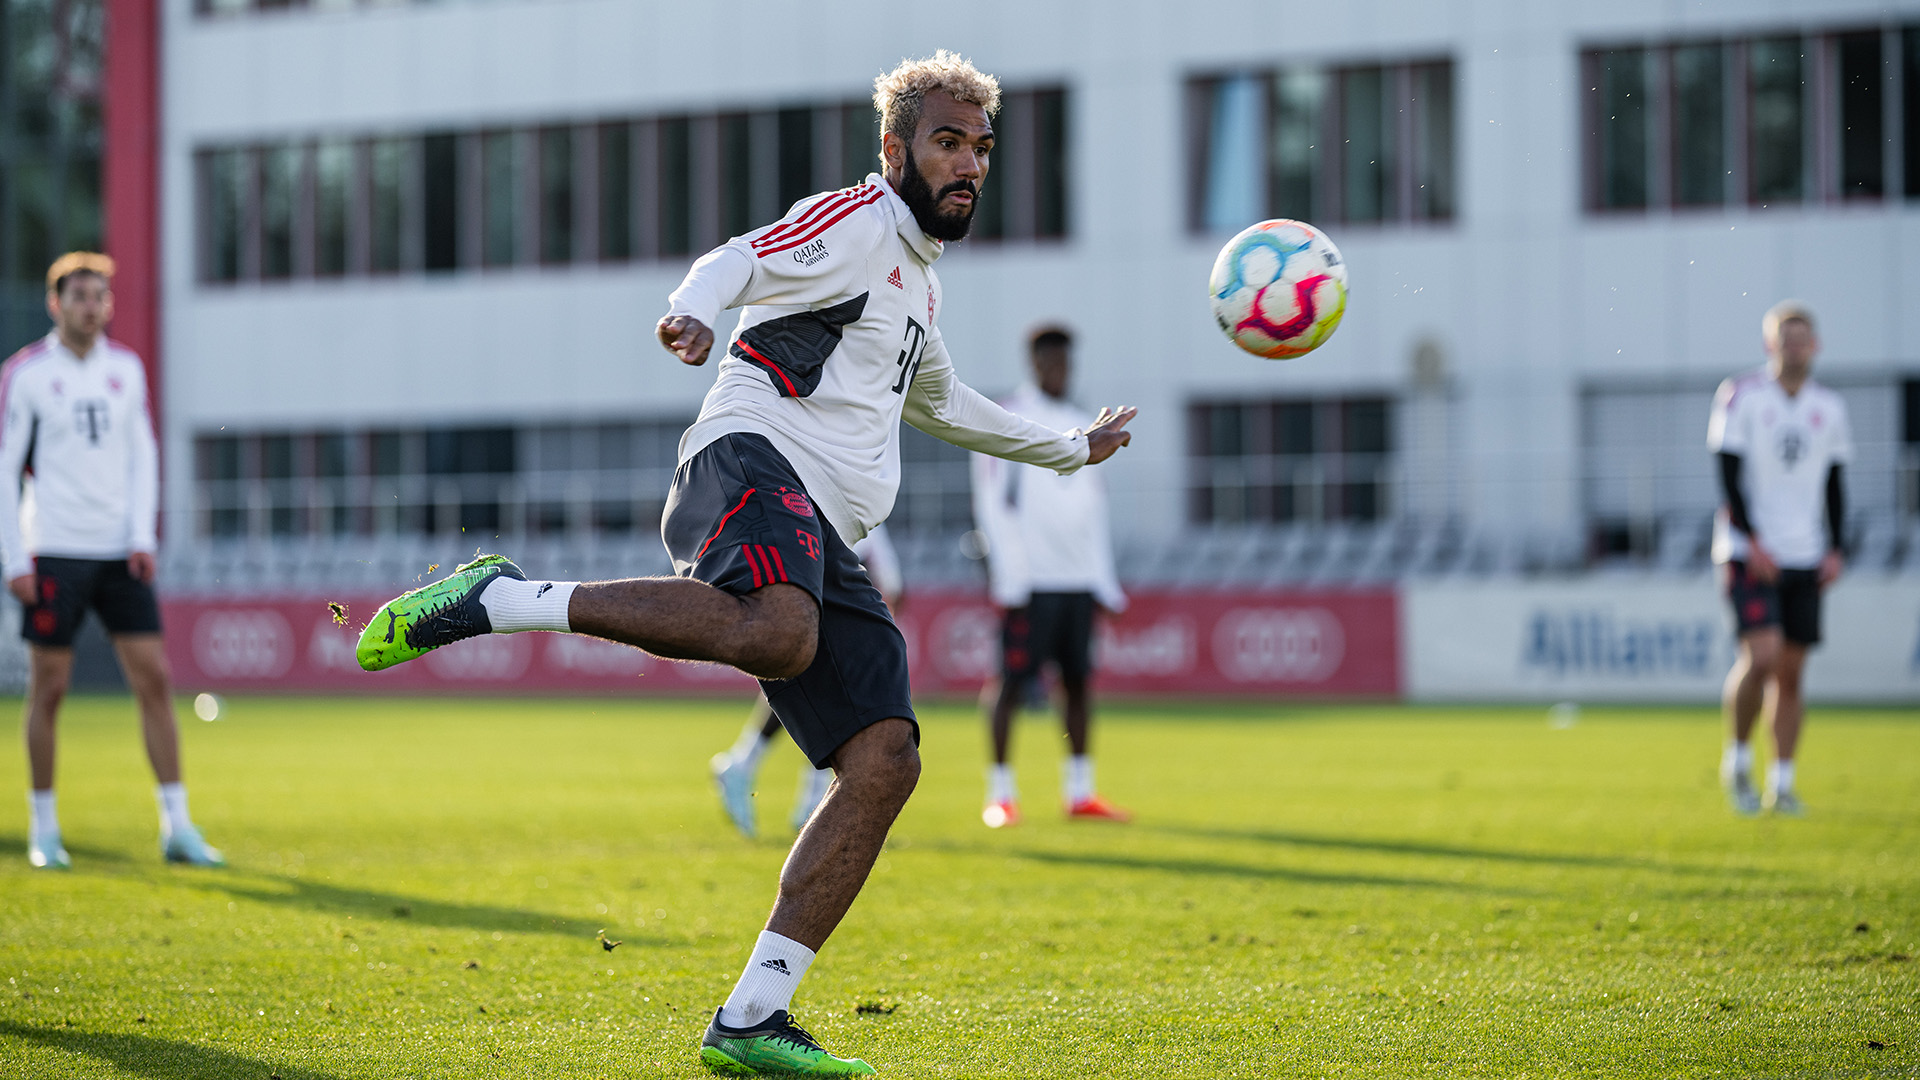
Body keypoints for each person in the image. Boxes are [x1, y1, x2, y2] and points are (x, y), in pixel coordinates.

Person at [355, 52, 1136, 1076]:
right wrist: (694, 309)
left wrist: (1074, 447)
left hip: (825, 527)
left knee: (884, 760)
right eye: (948, 142)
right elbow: (745, 255)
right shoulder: (857, 223)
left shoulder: (917, 284)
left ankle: (752, 1018)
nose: (969, 165)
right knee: (778, 629)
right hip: (751, 458)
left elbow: (947, 406)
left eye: (981, 148)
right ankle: (504, 598)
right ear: (895, 148)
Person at [0, 252, 224, 870]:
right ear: (56, 304)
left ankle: (176, 825)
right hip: (53, 551)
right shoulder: (27, 374)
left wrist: (141, 538)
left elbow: (143, 455)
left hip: (118, 554)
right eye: (79, 295)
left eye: (100, 295)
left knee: (154, 678)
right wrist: (14, 555)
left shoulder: (126, 369)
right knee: (50, 688)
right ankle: (44, 829)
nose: (91, 306)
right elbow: (5, 466)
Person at [971, 327, 1130, 828]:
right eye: (1050, 361)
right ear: (1034, 362)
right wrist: (1010, 577)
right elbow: (993, 503)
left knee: (1079, 684)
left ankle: (1081, 792)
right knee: (1011, 685)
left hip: (1078, 581)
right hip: (1031, 582)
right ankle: (1001, 795)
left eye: (1065, 361)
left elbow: (1095, 507)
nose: (1059, 369)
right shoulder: (1012, 416)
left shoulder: (1081, 422)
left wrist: (1104, 580)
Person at [1708, 300, 1850, 817]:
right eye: (1784, 338)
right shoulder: (1741, 395)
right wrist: (1755, 540)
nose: (1794, 347)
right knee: (1761, 655)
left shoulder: (1829, 408)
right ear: (1770, 345)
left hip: (1806, 554)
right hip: (1750, 552)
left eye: (1802, 338)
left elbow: (1835, 482)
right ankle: (1739, 759)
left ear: (1815, 345)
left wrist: (1835, 547)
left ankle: (1782, 783)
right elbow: (1726, 473)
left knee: (1790, 674)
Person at [711, 524, 904, 838]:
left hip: (809, 576)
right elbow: (878, 558)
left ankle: (749, 767)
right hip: (825, 585)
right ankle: (806, 800)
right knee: (831, 694)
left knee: (812, 687)